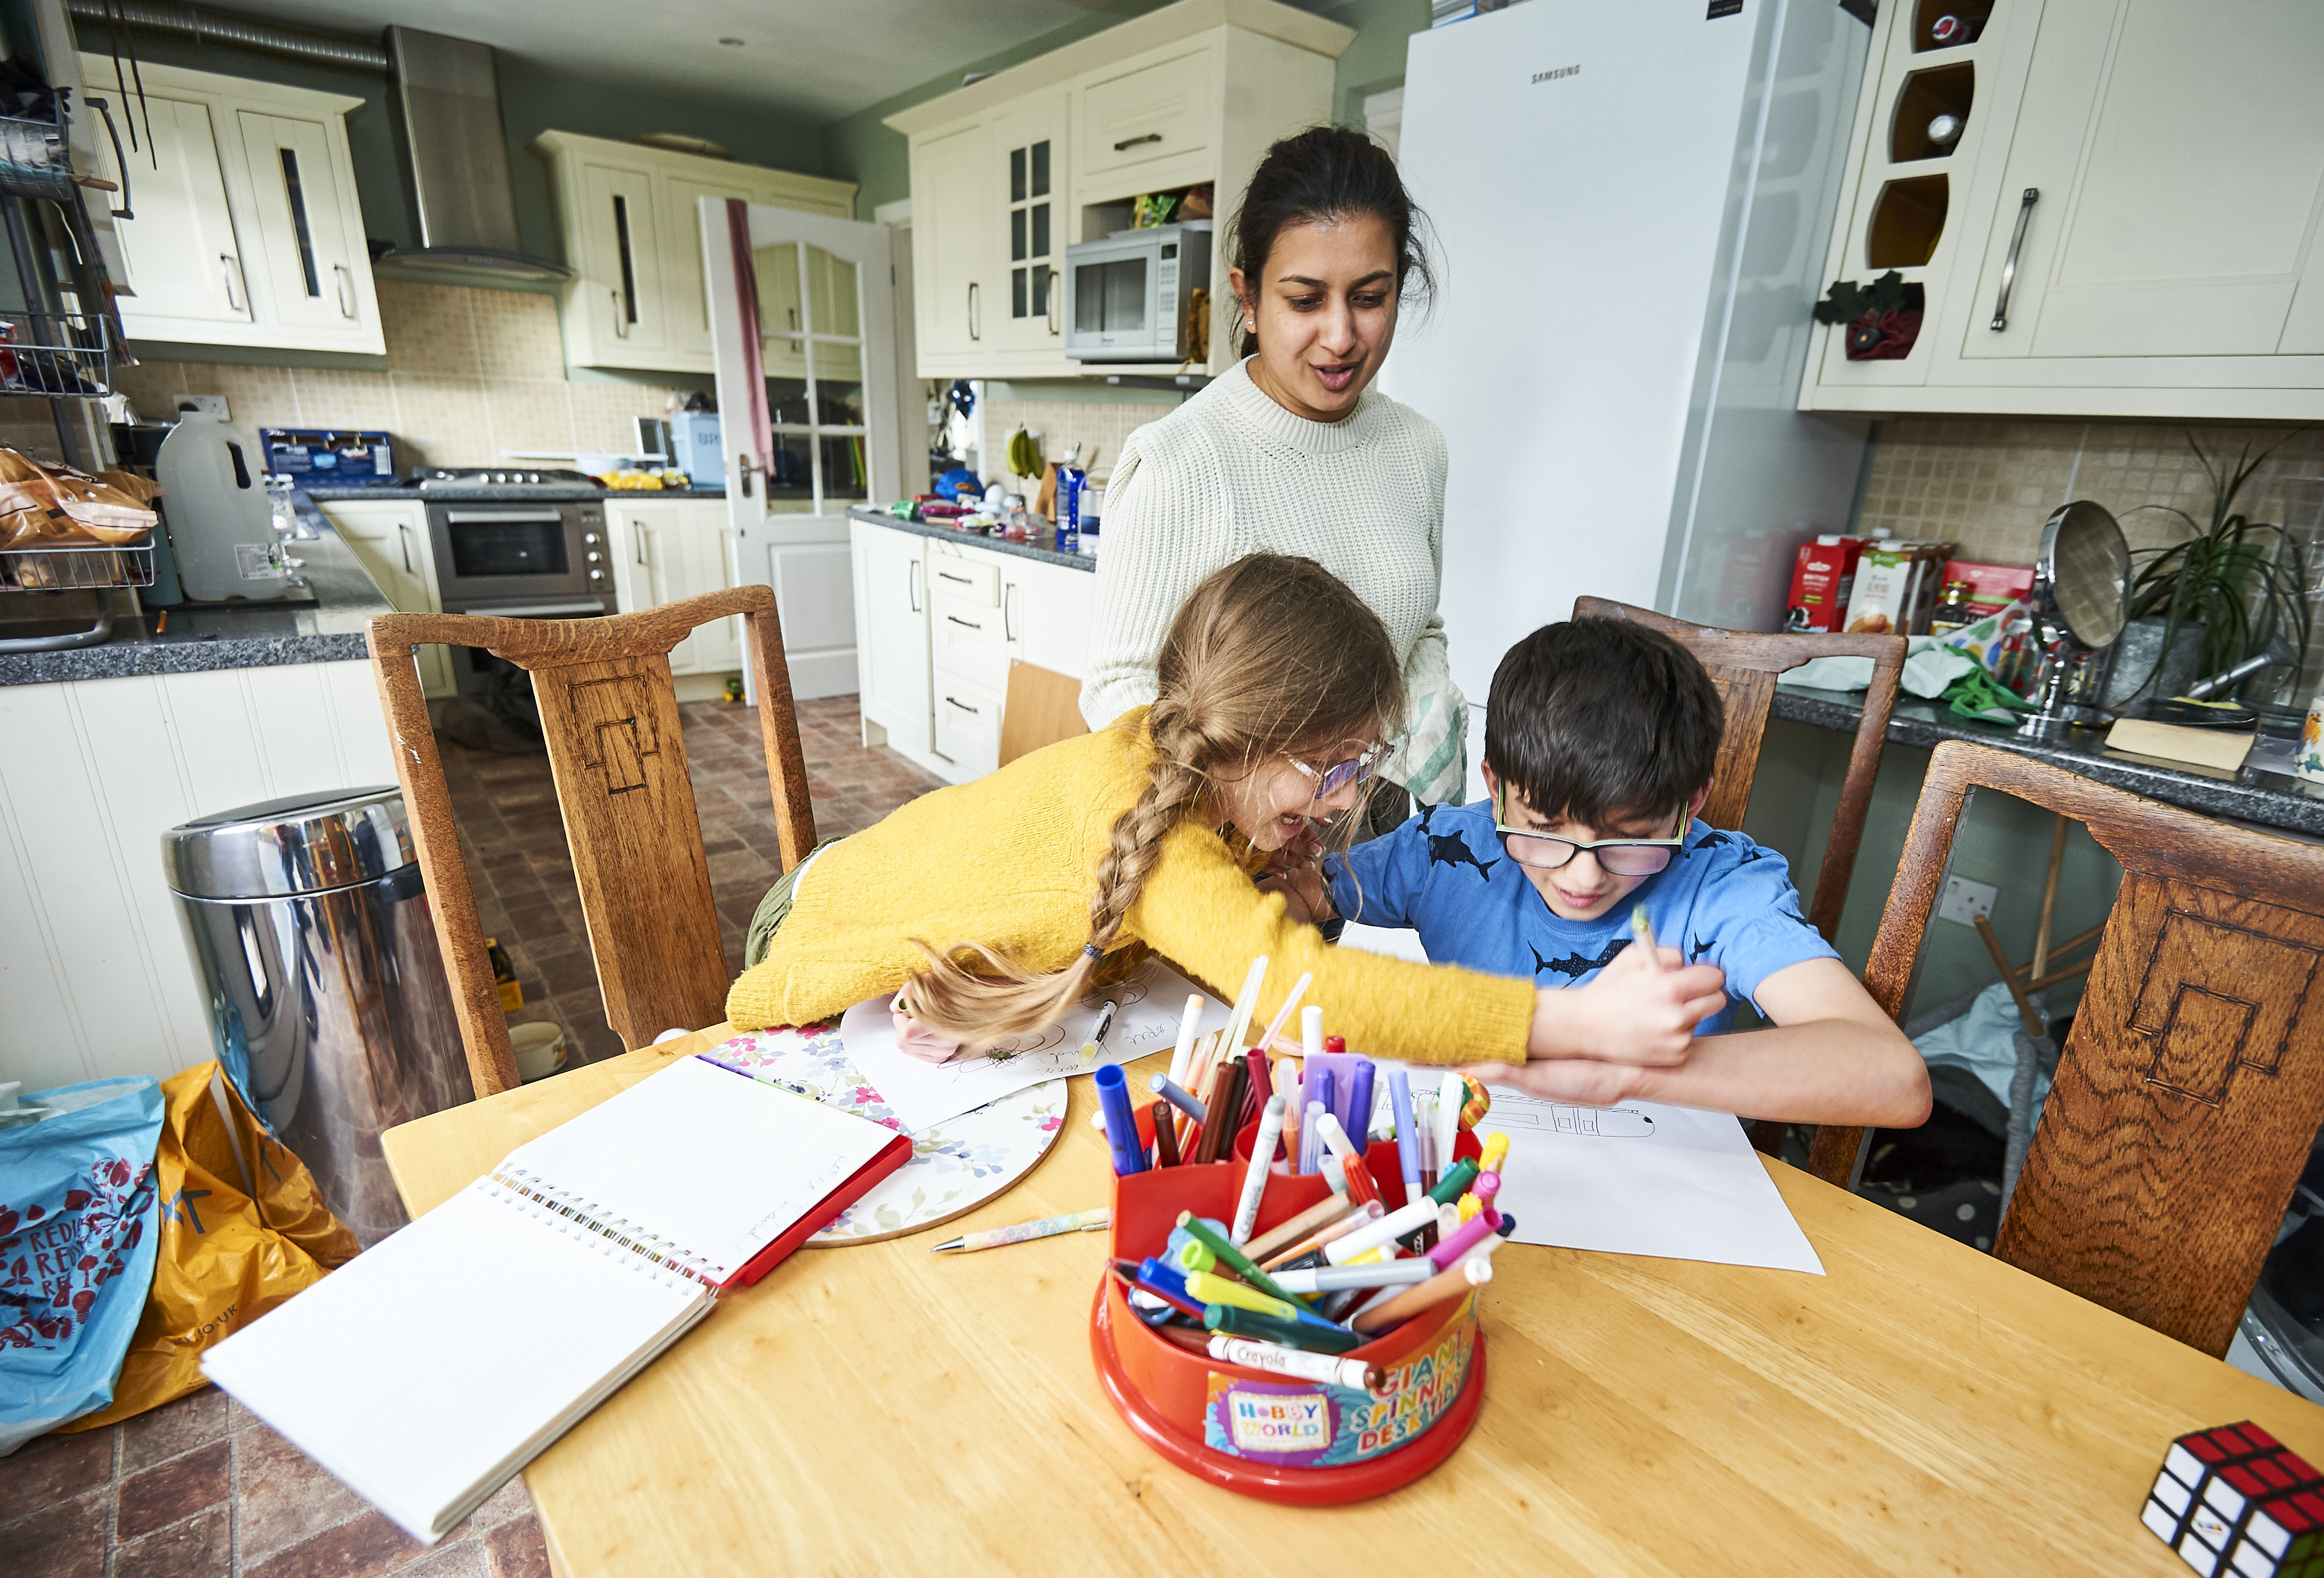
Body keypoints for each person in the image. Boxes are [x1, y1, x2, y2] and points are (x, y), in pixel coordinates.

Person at [727, 555, 1687, 1075]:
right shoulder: (1159, 841)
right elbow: (1310, 994)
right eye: (1335, 763)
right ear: (1246, 740)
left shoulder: (1180, 760)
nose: (1351, 794)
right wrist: (1571, 1021)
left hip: (879, 873)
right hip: (817, 912)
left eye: (1363, 760)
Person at [1313, 614, 1930, 1127]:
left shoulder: (1723, 885)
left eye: (1632, 839)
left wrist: (1624, 1072)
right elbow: (1295, 893)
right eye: (1545, 831)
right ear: (1496, 791)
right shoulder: (1447, 846)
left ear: (1690, 806)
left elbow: (1892, 1077)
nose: (1582, 880)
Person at [1079, 125, 1464, 823]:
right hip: (1230, 836)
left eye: (1369, 297)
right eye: (1305, 300)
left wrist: (1427, 777)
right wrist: (1235, 819)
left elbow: (1417, 627)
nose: (1341, 335)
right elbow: (1118, 693)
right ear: (1249, 300)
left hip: (1373, 821)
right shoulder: (1179, 461)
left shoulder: (1418, 449)